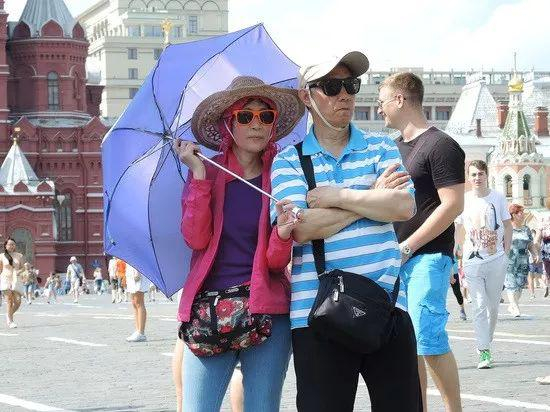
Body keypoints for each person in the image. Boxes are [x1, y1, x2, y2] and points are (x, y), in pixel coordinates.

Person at [272, 52, 421, 412]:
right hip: (317, 313)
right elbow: (301, 228)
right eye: (331, 86)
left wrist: (338, 197)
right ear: (307, 96)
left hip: (388, 304)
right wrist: (371, 197)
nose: (344, 95)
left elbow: (403, 207)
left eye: (351, 85)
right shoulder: (289, 160)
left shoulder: (381, 146)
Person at [173, 75, 304, 412]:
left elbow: (275, 263)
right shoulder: (207, 170)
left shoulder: (282, 173)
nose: (256, 124)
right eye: (246, 116)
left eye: (266, 116)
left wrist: (283, 232)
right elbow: (195, 238)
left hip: (267, 311)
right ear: (228, 124)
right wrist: (198, 176)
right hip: (210, 311)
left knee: (262, 408)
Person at [378, 72, 465, 411]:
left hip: (427, 256)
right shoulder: (391, 148)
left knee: (428, 340)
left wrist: (409, 246)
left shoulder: (441, 145)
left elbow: (453, 205)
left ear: (400, 100)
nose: (380, 109)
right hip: (397, 259)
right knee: (407, 345)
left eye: (383, 101)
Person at [454, 160, 512, 369]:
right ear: (468, 177)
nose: (477, 178)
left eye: (480, 174)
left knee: (493, 307)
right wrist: (456, 251)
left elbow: (507, 226)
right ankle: (484, 350)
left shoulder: (498, 197)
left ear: (486, 175)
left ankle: (487, 338)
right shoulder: (464, 199)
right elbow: (457, 228)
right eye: (473, 174)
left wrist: (506, 253)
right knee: (478, 305)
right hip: (472, 261)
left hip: (496, 259)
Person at [505, 204, 538, 317]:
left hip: (523, 261)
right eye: (520, 213)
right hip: (509, 260)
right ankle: (515, 306)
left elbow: (530, 244)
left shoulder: (526, 229)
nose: (523, 215)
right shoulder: (507, 228)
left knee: (519, 285)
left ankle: (513, 304)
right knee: (510, 284)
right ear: (514, 215)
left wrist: (535, 254)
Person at [1, 237, 25, 328]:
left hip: (15, 280)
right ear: (5, 246)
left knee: (18, 301)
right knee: (9, 301)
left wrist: (19, 271)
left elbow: (23, 267)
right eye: (9, 244)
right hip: (5, 279)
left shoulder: (19, 255)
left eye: (13, 244)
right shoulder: (2, 256)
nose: (11, 246)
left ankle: (8, 315)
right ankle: (11, 321)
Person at [125, 263, 151, 342]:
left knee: (138, 302)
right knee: (134, 303)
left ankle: (141, 332)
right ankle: (137, 330)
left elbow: (139, 258)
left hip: (138, 270)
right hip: (130, 271)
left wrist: (137, 271)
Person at [450, 252, 467, 321]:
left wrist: (459, 256)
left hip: (454, 272)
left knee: (457, 292)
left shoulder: (456, 245)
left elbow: (459, 255)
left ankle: (462, 309)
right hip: (442, 271)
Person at [527, 229, 543, 299]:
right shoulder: (539, 242)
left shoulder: (530, 241)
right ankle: (545, 286)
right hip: (539, 261)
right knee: (539, 277)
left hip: (531, 261)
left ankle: (532, 294)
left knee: (530, 278)